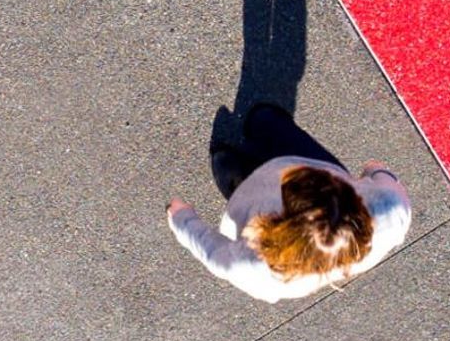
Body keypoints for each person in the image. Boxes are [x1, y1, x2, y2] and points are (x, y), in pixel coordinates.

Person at [166, 102, 412, 302]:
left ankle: (241, 167)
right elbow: (381, 175)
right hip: (295, 166)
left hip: (248, 199)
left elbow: (213, 252)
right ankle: (257, 130)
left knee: (260, 130)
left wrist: (183, 220)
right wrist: (375, 171)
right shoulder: (391, 211)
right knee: (266, 122)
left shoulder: (257, 268)